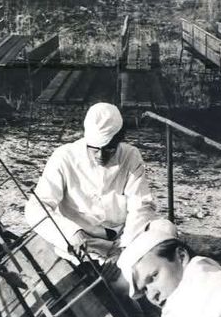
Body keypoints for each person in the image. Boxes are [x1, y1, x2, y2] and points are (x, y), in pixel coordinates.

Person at [24, 103, 157, 264]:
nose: (101, 155)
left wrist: (124, 247)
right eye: (94, 148)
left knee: (164, 231)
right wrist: (72, 233)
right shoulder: (64, 157)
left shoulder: (130, 156)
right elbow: (36, 208)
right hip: (81, 241)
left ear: (119, 141)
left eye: (109, 149)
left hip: (123, 237)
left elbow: (141, 206)